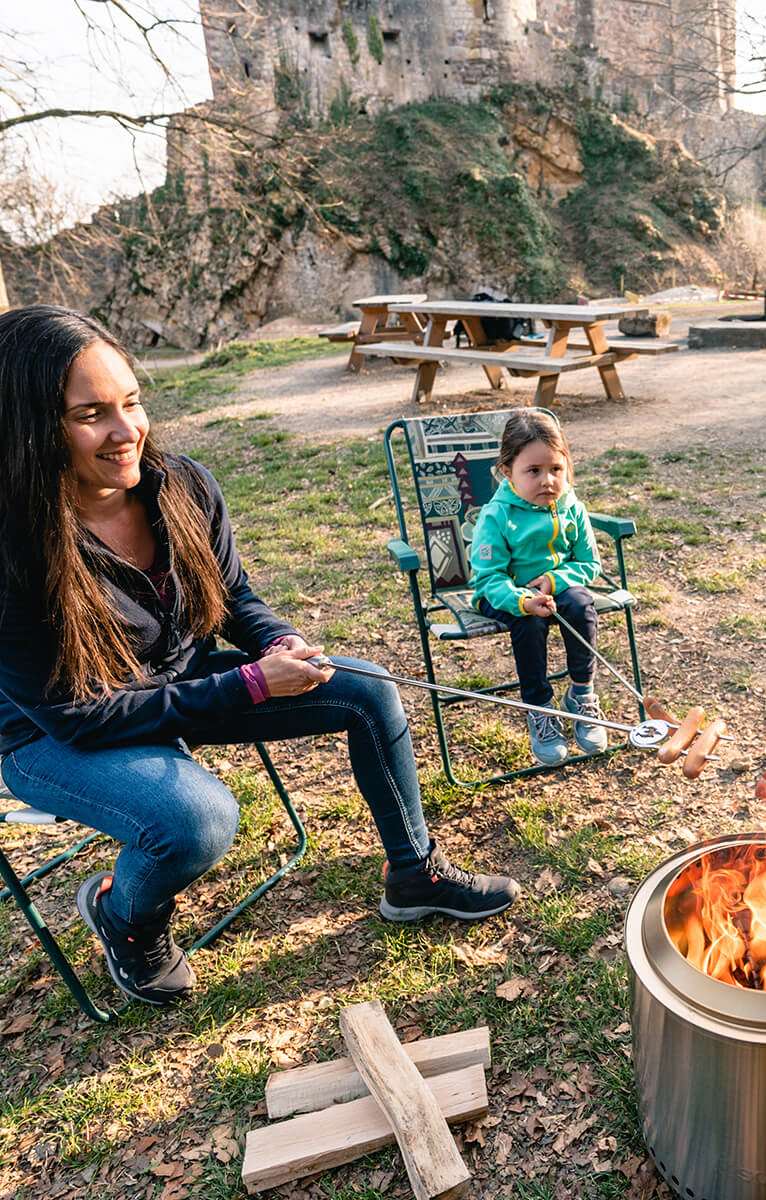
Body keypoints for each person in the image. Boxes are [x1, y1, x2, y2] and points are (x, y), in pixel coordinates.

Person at [0, 306, 519, 1007]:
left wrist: (276, 642)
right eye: (90, 415)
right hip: (54, 736)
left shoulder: (180, 486)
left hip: (174, 680)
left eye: (131, 402)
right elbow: (78, 716)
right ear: (28, 425)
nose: (127, 431)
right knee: (195, 821)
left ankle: (413, 873)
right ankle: (124, 917)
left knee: (368, 691)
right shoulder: (14, 550)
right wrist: (248, 684)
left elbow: (231, 595)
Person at [470, 410, 606, 766]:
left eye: (556, 469)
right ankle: (540, 707)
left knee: (580, 604)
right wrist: (523, 600)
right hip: (503, 593)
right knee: (528, 623)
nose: (547, 480)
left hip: (555, 586)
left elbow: (589, 564)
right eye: (533, 471)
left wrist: (555, 580)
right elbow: (488, 577)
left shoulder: (571, 508)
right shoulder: (497, 516)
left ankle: (581, 694)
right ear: (507, 472)